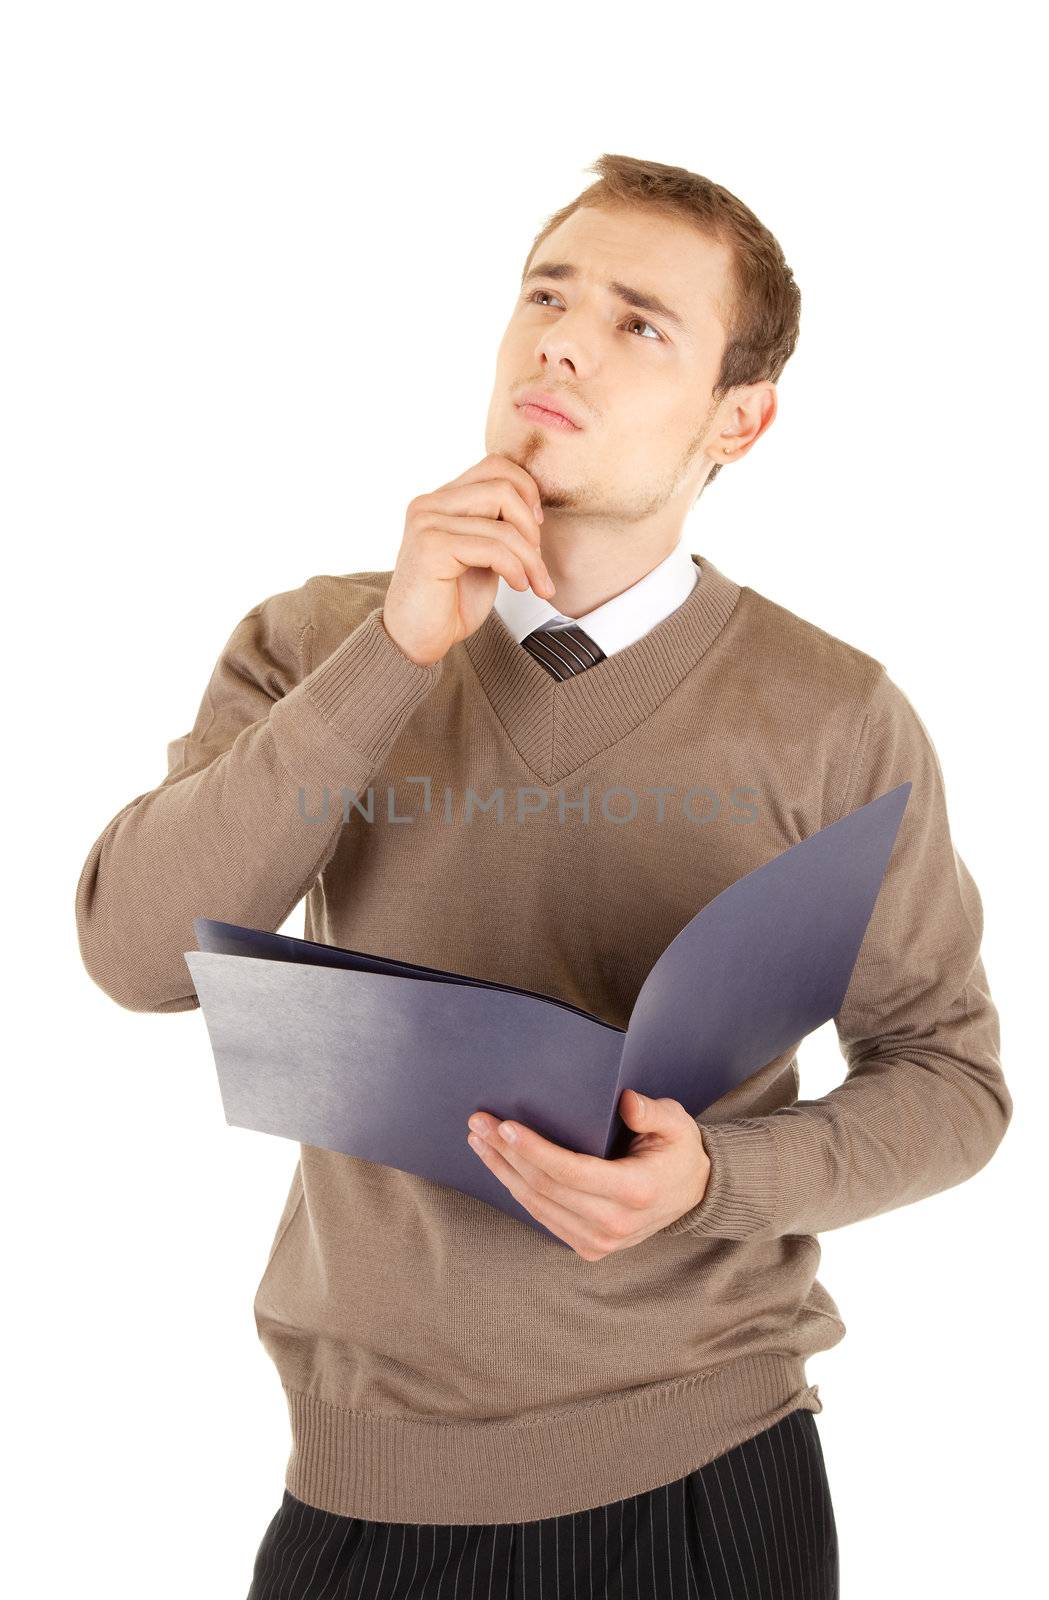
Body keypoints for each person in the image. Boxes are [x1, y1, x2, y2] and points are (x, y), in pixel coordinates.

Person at [75, 153, 1011, 1599]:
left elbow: (950, 1082)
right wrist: (392, 654)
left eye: (640, 323)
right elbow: (136, 956)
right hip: (360, 1483)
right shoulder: (316, 636)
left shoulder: (834, 713)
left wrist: (717, 1178)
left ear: (739, 418)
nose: (560, 340)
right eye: (545, 296)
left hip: (709, 1472)